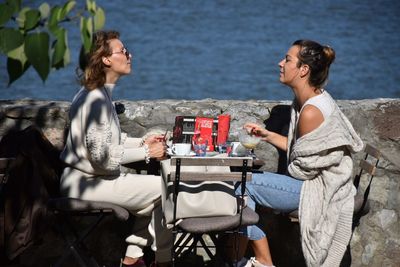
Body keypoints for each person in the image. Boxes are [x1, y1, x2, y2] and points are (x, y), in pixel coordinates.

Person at [238, 40, 364, 267]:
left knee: (244, 185)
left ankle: (262, 261)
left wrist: (279, 176)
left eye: (287, 59)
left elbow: (303, 169)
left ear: (303, 69)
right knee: (245, 185)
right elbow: (302, 148)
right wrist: (266, 135)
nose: (280, 63)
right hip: (316, 181)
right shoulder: (308, 101)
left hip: (319, 188)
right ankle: (241, 258)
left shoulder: (311, 111)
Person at [59, 30, 172, 267]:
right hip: (86, 185)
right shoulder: (96, 101)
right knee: (168, 188)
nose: (129, 55)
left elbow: (106, 142)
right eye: (123, 51)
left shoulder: (98, 95)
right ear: (106, 60)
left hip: (86, 180)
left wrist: (143, 143)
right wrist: (147, 153)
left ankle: (132, 260)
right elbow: (101, 158)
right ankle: (161, 261)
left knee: (157, 196)